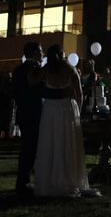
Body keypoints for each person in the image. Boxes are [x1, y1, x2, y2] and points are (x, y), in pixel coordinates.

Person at [32, 44, 99, 197]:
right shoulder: (69, 69)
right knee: (66, 141)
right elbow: (79, 93)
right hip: (66, 107)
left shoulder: (46, 69)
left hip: (50, 109)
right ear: (62, 54)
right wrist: (79, 111)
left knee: (50, 142)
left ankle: (50, 179)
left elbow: (33, 80)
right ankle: (69, 178)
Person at [12, 42, 44, 196]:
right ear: (35, 53)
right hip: (33, 112)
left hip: (23, 112)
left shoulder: (18, 70)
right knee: (31, 149)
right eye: (41, 51)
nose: (43, 54)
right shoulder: (34, 69)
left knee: (27, 148)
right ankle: (24, 183)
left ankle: (23, 180)